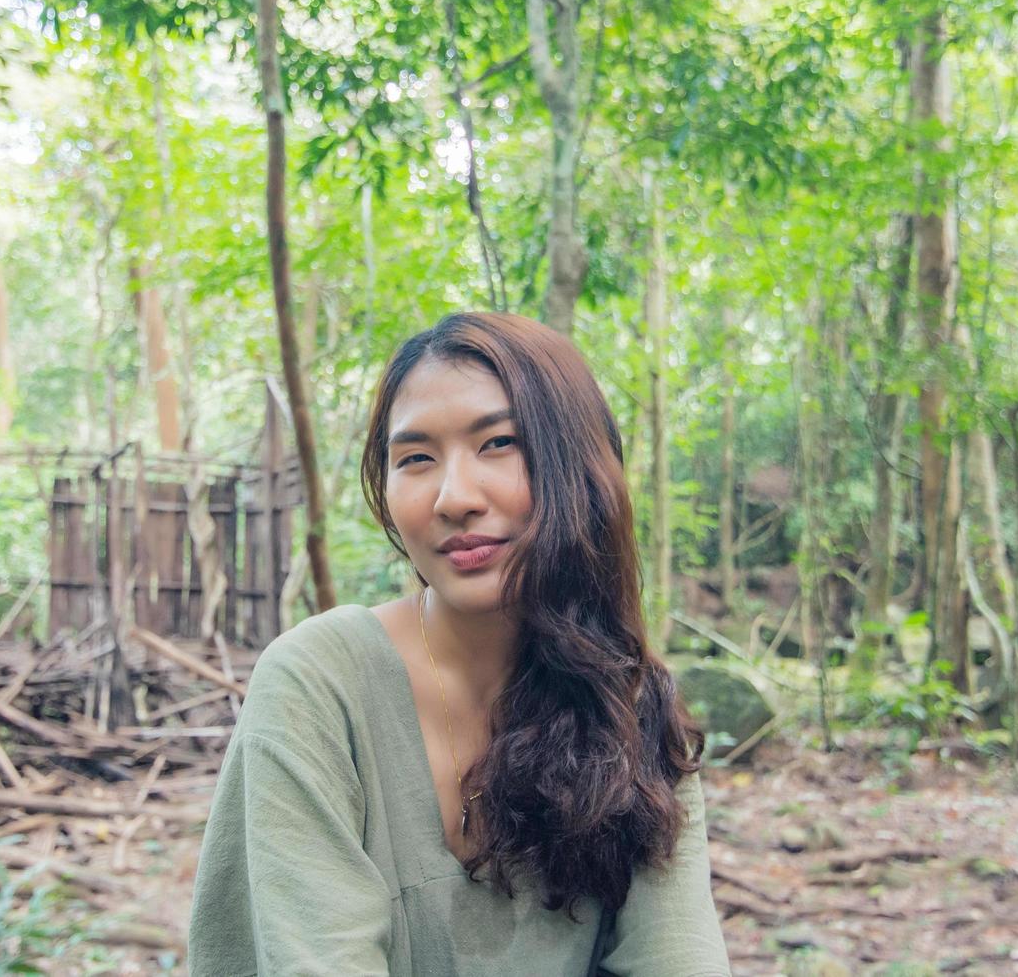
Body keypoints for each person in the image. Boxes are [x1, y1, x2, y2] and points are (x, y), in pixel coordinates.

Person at [188, 312, 731, 976]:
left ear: (580, 467)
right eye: (415, 458)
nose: (454, 497)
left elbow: (677, 959)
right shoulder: (319, 684)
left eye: (498, 443)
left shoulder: (630, 704)